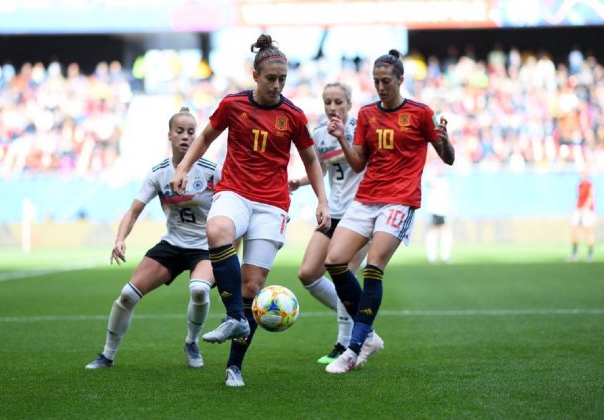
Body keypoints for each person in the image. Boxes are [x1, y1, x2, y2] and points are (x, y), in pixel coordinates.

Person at [169, 34, 330, 387]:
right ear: (255, 75)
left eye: (282, 79)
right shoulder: (233, 105)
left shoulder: (293, 116)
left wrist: (321, 200)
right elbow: (205, 138)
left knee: (253, 287)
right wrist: (182, 168)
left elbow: (310, 160)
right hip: (235, 192)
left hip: (272, 204)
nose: (277, 85)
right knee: (217, 231)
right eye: (270, 78)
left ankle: (234, 367)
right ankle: (234, 317)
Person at [322, 49, 454, 374]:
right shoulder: (367, 114)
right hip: (366, 198)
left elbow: (448, 157)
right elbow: (358, 164)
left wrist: (445, 141)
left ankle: (354, 347)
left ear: (400, 80)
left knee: (373, 266)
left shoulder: (421, 113)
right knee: (334, 261)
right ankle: (366, 334)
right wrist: (342, 139)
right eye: (376, 82)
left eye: (386, 81)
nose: (381, 87)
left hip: (400, 200)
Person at [86, 107, 216, 370]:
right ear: (169, 135)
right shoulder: (158, 172)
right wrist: (120, 239)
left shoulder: (212, 170)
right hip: (173, 243)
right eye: (179, 131)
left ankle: (191, 342)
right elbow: (134, 210)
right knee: (126, 295)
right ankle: (107, 355)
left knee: (200, 290)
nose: (185, 137)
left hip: (205, 247)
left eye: (191, 132)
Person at [288, 82, 368, 364]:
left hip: (359, 213)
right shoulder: (320, 134)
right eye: (328, 103)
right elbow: (321, 169)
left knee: (343, 273)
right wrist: (299, 181)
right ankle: (362, 319)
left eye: (338, 102)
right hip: (332, 212)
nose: (333, 108)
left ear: (349, 103)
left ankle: (346, 343)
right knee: (308, 273)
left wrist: (343, 137)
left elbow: (361, 165)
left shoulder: (361, 129)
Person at [424, 166, 454, 264]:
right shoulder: (432, 179)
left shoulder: (445, 181)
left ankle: (445, 256)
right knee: (433, 231)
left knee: (446, 231)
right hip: (434, 210)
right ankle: (432, 256)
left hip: (444, 210)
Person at [569, 170, 596, 262]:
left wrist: (585, 208)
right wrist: (577, 209)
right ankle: (574, 253)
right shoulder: (579, 185)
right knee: (574, 230)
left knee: (588, 231)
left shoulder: (590, 185)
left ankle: (590, 253)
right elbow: (579, 198)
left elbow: (590, 198)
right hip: (578, 209)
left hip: (587, 210)